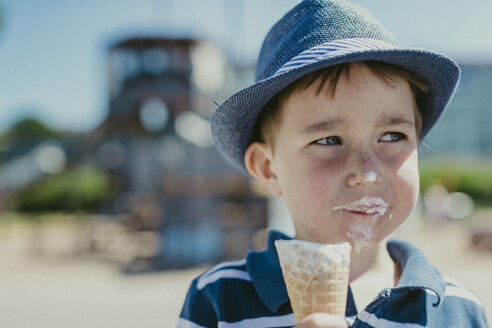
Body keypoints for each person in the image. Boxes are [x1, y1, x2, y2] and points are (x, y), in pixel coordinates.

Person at [177, 0, 489, 327]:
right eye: (328, 141)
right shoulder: (219, 300)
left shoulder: (458, 310)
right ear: (269, 169)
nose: (367, 174)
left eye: (393, 136)